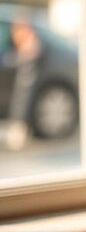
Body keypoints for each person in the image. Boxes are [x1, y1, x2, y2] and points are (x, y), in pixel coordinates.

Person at [3, 16, 42, 150]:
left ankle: (20, 134)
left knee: (23, 106)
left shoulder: (31, 41)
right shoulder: (19, 41)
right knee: (19, 105)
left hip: (27, 82)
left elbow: (30, 55)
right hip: (21, 82)